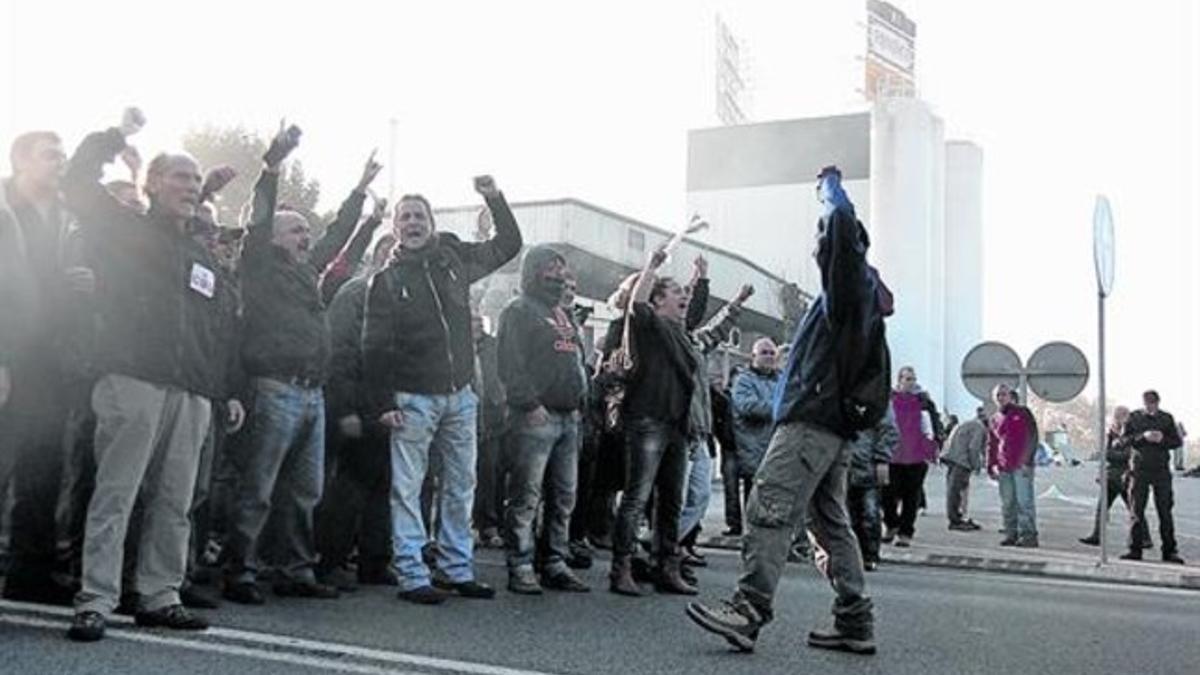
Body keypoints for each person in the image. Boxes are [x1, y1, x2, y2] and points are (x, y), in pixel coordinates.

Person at [686, 165, 890, 656]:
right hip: (831, 428)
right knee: (828, 523)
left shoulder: (849, 288)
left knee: (769, 505)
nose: (818, 249)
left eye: (821, 243)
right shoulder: (853, 301)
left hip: (810, 424)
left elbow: (841, 232)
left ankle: (749, 607)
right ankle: (854, 621)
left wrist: (830, 193)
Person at [63, 108, 240, 641]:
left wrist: (221, 391)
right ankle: (95, 598)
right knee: (117, 492)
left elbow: (216, 331)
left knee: (175, 500)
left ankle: (160, 595)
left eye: (194, 179)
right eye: (179, 177)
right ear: (153, 183)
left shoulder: (200, 254)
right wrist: (117, 136)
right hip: (133, 379)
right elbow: (77, 181)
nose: (189, 186)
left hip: (190, 392)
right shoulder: (124, 229)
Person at [222, 125, 383, 604]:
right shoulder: (259, 265)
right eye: (295, 230)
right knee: (260, 487)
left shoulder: (306, 272)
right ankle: (241, 571)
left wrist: (358, 193)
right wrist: (272, 167)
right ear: (270, 237)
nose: (305, 236)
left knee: (304, 490)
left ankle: (293, 568)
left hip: (312, 392)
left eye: (305, 231)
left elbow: (336, 237)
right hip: (274, 389)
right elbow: (260, 217)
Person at [364, 176, 522, 604]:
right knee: (408, 487)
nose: (412, 223)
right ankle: (413, 574)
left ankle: (456, 568)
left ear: (432, 223)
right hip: (412, 398)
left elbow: (509, 246)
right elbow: (373, 347)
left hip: (460, 395)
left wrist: (494, 196)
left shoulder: (454, 258)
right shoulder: (386, 280)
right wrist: (381, 403)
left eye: (420, 216)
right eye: (405, 217)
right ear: (395, 228)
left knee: (461, 484)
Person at [0, 129, 78, 606]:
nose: (61, 162)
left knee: (43, 468)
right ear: (20, 161)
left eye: (63, 154)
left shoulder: (68, 218)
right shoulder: (4, 211)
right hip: (9, 358)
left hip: (51, 362)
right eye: (51, 155)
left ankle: (30, 574)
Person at [606, 247, 709, 598]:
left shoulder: (681, 334)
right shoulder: (649, 325)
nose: (684, 297)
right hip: (648, 420)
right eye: (677, 292)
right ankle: (621, 567)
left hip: (676, 425)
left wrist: (700, 279)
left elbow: (694, 309)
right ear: (658, 300)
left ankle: (667, 566)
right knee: (637, 496)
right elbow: (635, 304)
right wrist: (651, 266)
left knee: (671, 501)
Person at [497, 245, 590, 595]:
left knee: (564, 496)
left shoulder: (562, 313)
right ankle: (520, 565)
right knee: (526, 496)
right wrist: (528, 403)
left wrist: (580, 403)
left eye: (560, 268)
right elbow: (509, 362)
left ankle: (554, 562)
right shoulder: (518, 310)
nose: (557, 274)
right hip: (536, 416)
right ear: (534, 270)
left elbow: (576, 362)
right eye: (550, 267)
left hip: (568, 417)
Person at [315, 230, 398, 590]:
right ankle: (330, 560)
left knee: (382, 486)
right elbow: (339, 351)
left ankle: (374, 562)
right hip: (357, 403)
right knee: (348, 486)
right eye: (387, 249)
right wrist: (346, 408)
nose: (394, 256)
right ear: (377, 256)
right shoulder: (356, 293)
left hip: (390, 406)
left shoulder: (401, 299)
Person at [1120, 391, 1185, 564]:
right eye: (1148, 404)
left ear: (1158, 403)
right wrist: (1143, 437)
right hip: (1139, 470)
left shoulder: (1166, 418)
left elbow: (1177, 442)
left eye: (1153, 404)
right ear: (1143, 403)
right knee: (1136, 510)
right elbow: (1124, 440)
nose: (1151, 407)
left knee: (1165, 511)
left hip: (1161, 470)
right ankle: (1135, 549)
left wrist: (1162, 438)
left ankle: (1169, 551)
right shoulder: (1134, 418)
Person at [1079, 406, 1151, 549]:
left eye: (1122, 415)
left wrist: (1115, 455)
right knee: (1102, 507)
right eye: (1117, 415)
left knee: (1134, 509)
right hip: (1111, 476)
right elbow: (1107, 453)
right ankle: (1097, 535)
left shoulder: (1133, 433)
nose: (1119, 418)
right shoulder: (1112, 433)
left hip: (1127, 476)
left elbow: (1130, 455)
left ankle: (1145, 538)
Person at [729, 339, 780, 536]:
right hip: (753, 451)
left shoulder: (781, 378)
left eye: (772, 353)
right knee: (754, 501)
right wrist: (780, 407)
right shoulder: (744, 380)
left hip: (776, 450)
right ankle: (752, 539)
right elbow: (747, 407)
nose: (768, 357)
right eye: (764, 353)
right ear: (753, 356)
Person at [881, 366, 936, 547]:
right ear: (899, 380)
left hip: (916, 457)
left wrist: (930, 450)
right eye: (907, 379)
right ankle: (891, 525)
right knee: (887, 496)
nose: (911, 382)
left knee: (911, 498)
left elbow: (929, 428)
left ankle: (905, 533)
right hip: (892, 455)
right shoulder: (888, 399)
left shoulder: (923, 402)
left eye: (913, 379)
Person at [847, 411, 899, 571]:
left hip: (866, 465)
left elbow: (889, 430)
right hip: (845, 465)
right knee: (848, 516)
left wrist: (882, 458)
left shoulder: (875, 396)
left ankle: (869, 555)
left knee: (869, 514)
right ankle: (853, 555)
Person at [987, 384, 1038, 548]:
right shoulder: (995, 418)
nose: (1001, 398)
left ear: (1010, 396)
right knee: (1008, 502)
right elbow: (993, 443)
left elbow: (1032, 436)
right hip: (1004, 467)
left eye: (1003, 394)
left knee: (1024, 501)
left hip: (1021, 466)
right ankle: (1011, 533)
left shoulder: (1022, 413)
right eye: (997, 396)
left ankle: (1028, 535)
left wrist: (1027, 460)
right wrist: (991, 465)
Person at [942, 407, 988, 531]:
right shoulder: (979, 428)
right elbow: (974, 448)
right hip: (961, 461)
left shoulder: (966, 423)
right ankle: (955, 520)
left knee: (952, 490)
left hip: (951, 458)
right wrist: (976, 465)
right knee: (956, 492)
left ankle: (957, 517)